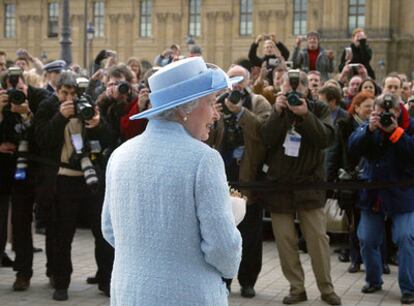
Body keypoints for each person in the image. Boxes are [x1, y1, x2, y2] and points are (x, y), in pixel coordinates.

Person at [102, 57, 242, 305]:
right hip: (187, 296)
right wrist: (232, 218)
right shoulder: (204, 160)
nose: (215, 114)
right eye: (210, 103)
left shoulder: (120, 155)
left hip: (129, 295)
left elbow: (110, 230)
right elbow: (223, 250)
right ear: (183, 109)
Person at [260, 71, 341, 305]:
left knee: (317, 239)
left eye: (300, 86)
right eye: (289, 86)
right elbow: (266, 138)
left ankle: (326, 289)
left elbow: (326, 138)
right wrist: (277, 112)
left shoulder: (319, 109)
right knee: (285, 242)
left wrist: (305, 115)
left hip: (309, 184)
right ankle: (297, 288)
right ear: (281, 87)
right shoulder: (276, 108)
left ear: (308, 89)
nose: (295, 91)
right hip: (280, 186)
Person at [34, 71, 114, 301]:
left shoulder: (88, 105)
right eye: (64, 93)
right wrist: (60, 117)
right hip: (62, 178)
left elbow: (109, 138)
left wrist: (97, 124)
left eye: (73, 93)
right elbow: (42, 139)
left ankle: (106, 280)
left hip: (91, 177)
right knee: (62, 234)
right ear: (57, 91)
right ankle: (61, 283)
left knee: (102, 232)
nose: (69, 98)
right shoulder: (48, 108)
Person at [348, 93, 414, 304]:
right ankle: (374, 280)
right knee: (367, 238)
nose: (386, 115)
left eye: (391, 111)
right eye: (381, 111)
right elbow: (353, 147)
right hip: (373, 193)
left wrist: (395, 132)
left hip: (402, 194)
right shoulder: (369, 125)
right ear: (375, 110)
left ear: (398, 110)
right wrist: (369, 130)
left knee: (405, 238)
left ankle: (408, 287)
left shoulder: (410, 126)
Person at [215, 65, 271, 298]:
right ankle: (223, 281)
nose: (236, 84)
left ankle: (248, 281)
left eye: (241, 79)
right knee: (223, 234)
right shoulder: (216, 101)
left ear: (249, 80)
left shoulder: (258, 102)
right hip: (222, 179)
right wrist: (213, 114)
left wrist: (241, 113)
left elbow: (266, 131)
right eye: (232, 79)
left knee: (250, 236)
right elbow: (205, 136)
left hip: (250, 180)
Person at [0, 66, 50, 291]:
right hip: (18, 171)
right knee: (20, 221)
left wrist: (26, 114)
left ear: (25, 83)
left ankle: (56, 271)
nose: (17, 93)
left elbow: (44, 137)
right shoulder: (4, 103)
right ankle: (23, 273)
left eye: (20, 86)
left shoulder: (42, 99)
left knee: (52, 219)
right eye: (12, 89)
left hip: (42, 168)